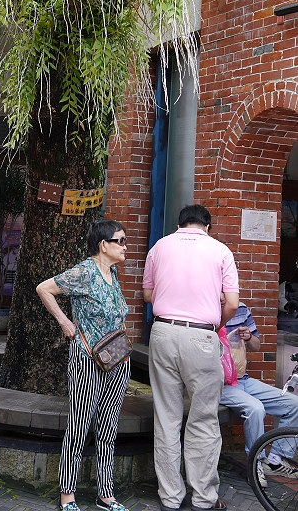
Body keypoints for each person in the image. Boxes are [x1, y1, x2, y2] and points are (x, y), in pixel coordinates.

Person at [142, 204, 239, 511]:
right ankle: (203, 498)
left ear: (180, 224)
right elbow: (232, 304)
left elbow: (148, 295)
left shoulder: (159, 247)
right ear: (207, 226)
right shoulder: (220, 251)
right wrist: (215, 324)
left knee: (166, 418)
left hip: (163, 332)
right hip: (201, 336)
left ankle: (171, 498)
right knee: (203, 419)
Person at [36, 218, 130, 511]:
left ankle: (106, 494)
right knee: (79, 426)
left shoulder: (112, 273)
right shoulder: (84, 272)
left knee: (108, 427)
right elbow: (44, 289)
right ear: (103, 245)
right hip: (87, 358)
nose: (125, 246)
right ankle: (67, 494)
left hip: (117, 359)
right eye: (120, 241)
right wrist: (65, 322)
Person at [220, 302, 298, 487]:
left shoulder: (241, 309)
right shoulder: (205, 306)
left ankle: (275, 461)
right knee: (256, 409)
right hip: (219, 384)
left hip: (243, 379)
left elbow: (256, 345)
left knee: (293, 404)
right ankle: (255, 464)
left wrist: (248, 337)